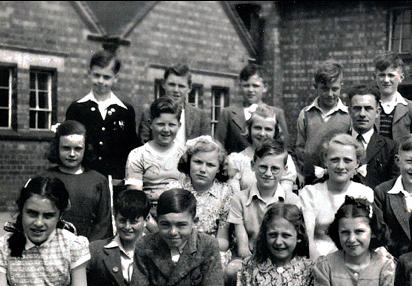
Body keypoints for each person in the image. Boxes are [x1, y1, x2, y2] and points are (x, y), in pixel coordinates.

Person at [66, 50, 140, 183]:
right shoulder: (77, 109)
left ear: (115, 78)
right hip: (84, 179)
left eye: (106, 77)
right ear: (89, 74)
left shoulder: (125, 111)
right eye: (97, 75)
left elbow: (132, 149)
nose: (101, 81)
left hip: (116, 180)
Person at [227, 138, 301, 271]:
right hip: (250, 260)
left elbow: (294, 243)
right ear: (253, 165)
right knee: (232, 270)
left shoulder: (292, 201)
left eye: (275, 169)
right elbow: (243, 249)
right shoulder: (239, 199)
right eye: (263, 167)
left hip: (282, 259)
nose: (268, 173)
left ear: (284, 170)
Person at [299, 134, 375, 260]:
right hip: (318, 258)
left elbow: (365, 238)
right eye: (335, 159)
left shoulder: (364, 193)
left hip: (353, 259)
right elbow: (309, 241)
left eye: (347, 160)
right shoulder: (310, 193)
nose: (340, 166)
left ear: (357, 163)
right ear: (325, 161)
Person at [44, 120, 112, 241]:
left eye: (78, 149)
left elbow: (103, 223)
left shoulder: (98, 180)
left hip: (88, 247)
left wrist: (89, 248)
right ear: (57, 148)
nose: (72, 154)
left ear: (86, 149)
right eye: (66, 148)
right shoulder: (45, 177)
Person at [125, 97, 186, 220]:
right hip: (148, 220)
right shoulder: (138, 155)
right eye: (160, 124)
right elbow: (137, 202)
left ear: (179, 126)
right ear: (150, 123)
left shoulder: (185, 154)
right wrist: (155, 229)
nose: (166, 130)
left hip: (181, 219)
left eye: (172, 125)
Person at [177, 135, 233, 265]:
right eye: (197, 162)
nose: (202, 169)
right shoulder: (175, 189)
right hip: (178, 247)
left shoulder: (226, 193)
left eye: (210, 165)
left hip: (211, 250)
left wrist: (202, 250)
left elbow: (223, 240)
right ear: (189, 161)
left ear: (219, 168)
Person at [295, 60, 351, 185]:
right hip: (309, 179)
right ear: (316, 87)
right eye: (325, 89)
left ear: (341, 85)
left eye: (335, 89)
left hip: (338, 179)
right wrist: (299, 173)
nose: (330, 94)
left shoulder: (348, 116)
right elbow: (299, 149)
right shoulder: (306, 114)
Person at [215, 63, 289, 154]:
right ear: (240, 86)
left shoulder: (276, 113)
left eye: (255, 86)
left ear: (265, 88)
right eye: (246, 85)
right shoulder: (228, 113)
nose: (250, 90)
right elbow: (218, 148)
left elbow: (286, 149)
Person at [225, 104, 298, 193]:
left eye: (268, 129)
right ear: (249, 129)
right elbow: (234, 198)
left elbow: (285, 197)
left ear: (275, 132)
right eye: (257, 128)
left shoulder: (284, 159)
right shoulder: (237, 160)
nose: (262, 134)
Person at [138, 64, 211, 146]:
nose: (176, 90)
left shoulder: (200, 117)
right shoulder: (149, 114)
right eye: (172, 85)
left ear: (189, 88)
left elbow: (206, 148)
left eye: (181, 86)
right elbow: (143, 145)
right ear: (163, 84)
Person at [347, 84, 399, 189]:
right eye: (357, 108)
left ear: (377, 112)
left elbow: (393, 186)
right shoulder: (337, 145)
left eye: (368, 108)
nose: (362, 114)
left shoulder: (390, 148)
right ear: (349, 111)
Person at [373, 53, 412, 142]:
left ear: (401, 77)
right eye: (382, 75)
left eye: (391, 75)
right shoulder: (369, 106)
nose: (386, 80)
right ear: (374, 77)